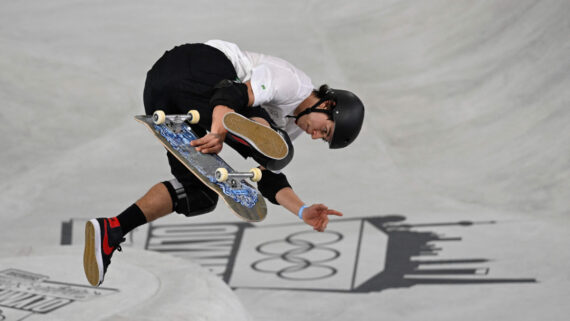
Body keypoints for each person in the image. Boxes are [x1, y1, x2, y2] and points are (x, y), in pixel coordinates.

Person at [83, 40, 365, 287]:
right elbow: (231, 95)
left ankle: (113, 229)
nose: (314, 136)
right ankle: (243, 126)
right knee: (278, 150)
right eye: (323, 130)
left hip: (164, 98)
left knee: (200, 193)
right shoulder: (293, 83)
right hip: (194, 66)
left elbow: (268, 178)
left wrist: (302, 210)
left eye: (322, 138)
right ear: (327, 106)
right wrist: (218, 132)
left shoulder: (287, 133)